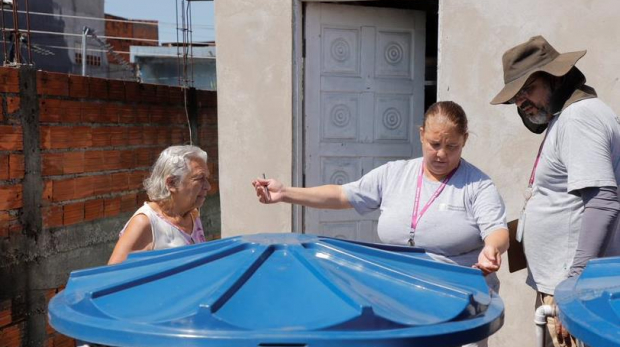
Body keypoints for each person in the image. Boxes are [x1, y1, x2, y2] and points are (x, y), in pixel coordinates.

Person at [253, 101, 508, 347]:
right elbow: (343, 195)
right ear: (421, 135)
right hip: (399, 304)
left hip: (458, 305)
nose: (442, 153)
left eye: (452, 146)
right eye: (434, 144)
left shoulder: (477, 186)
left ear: (465, 140)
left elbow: (496, 230)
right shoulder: (394, 174)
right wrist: (285, 192)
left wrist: (492, 249)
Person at [491, 35, 620, 347]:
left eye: (527, 89)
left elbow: (603, 201)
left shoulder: (579, 118)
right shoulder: (566, 119)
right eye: (515, 96)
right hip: (567, 288)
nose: (520, 101)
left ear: (555, 77)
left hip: (577, 292)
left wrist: (574, 285)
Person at [108, 145, 211, 265]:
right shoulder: (145, 222)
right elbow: (113, 275)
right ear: (171, 183)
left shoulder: (192, 215)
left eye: (207, 178)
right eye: (199, 179)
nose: (208, 186)